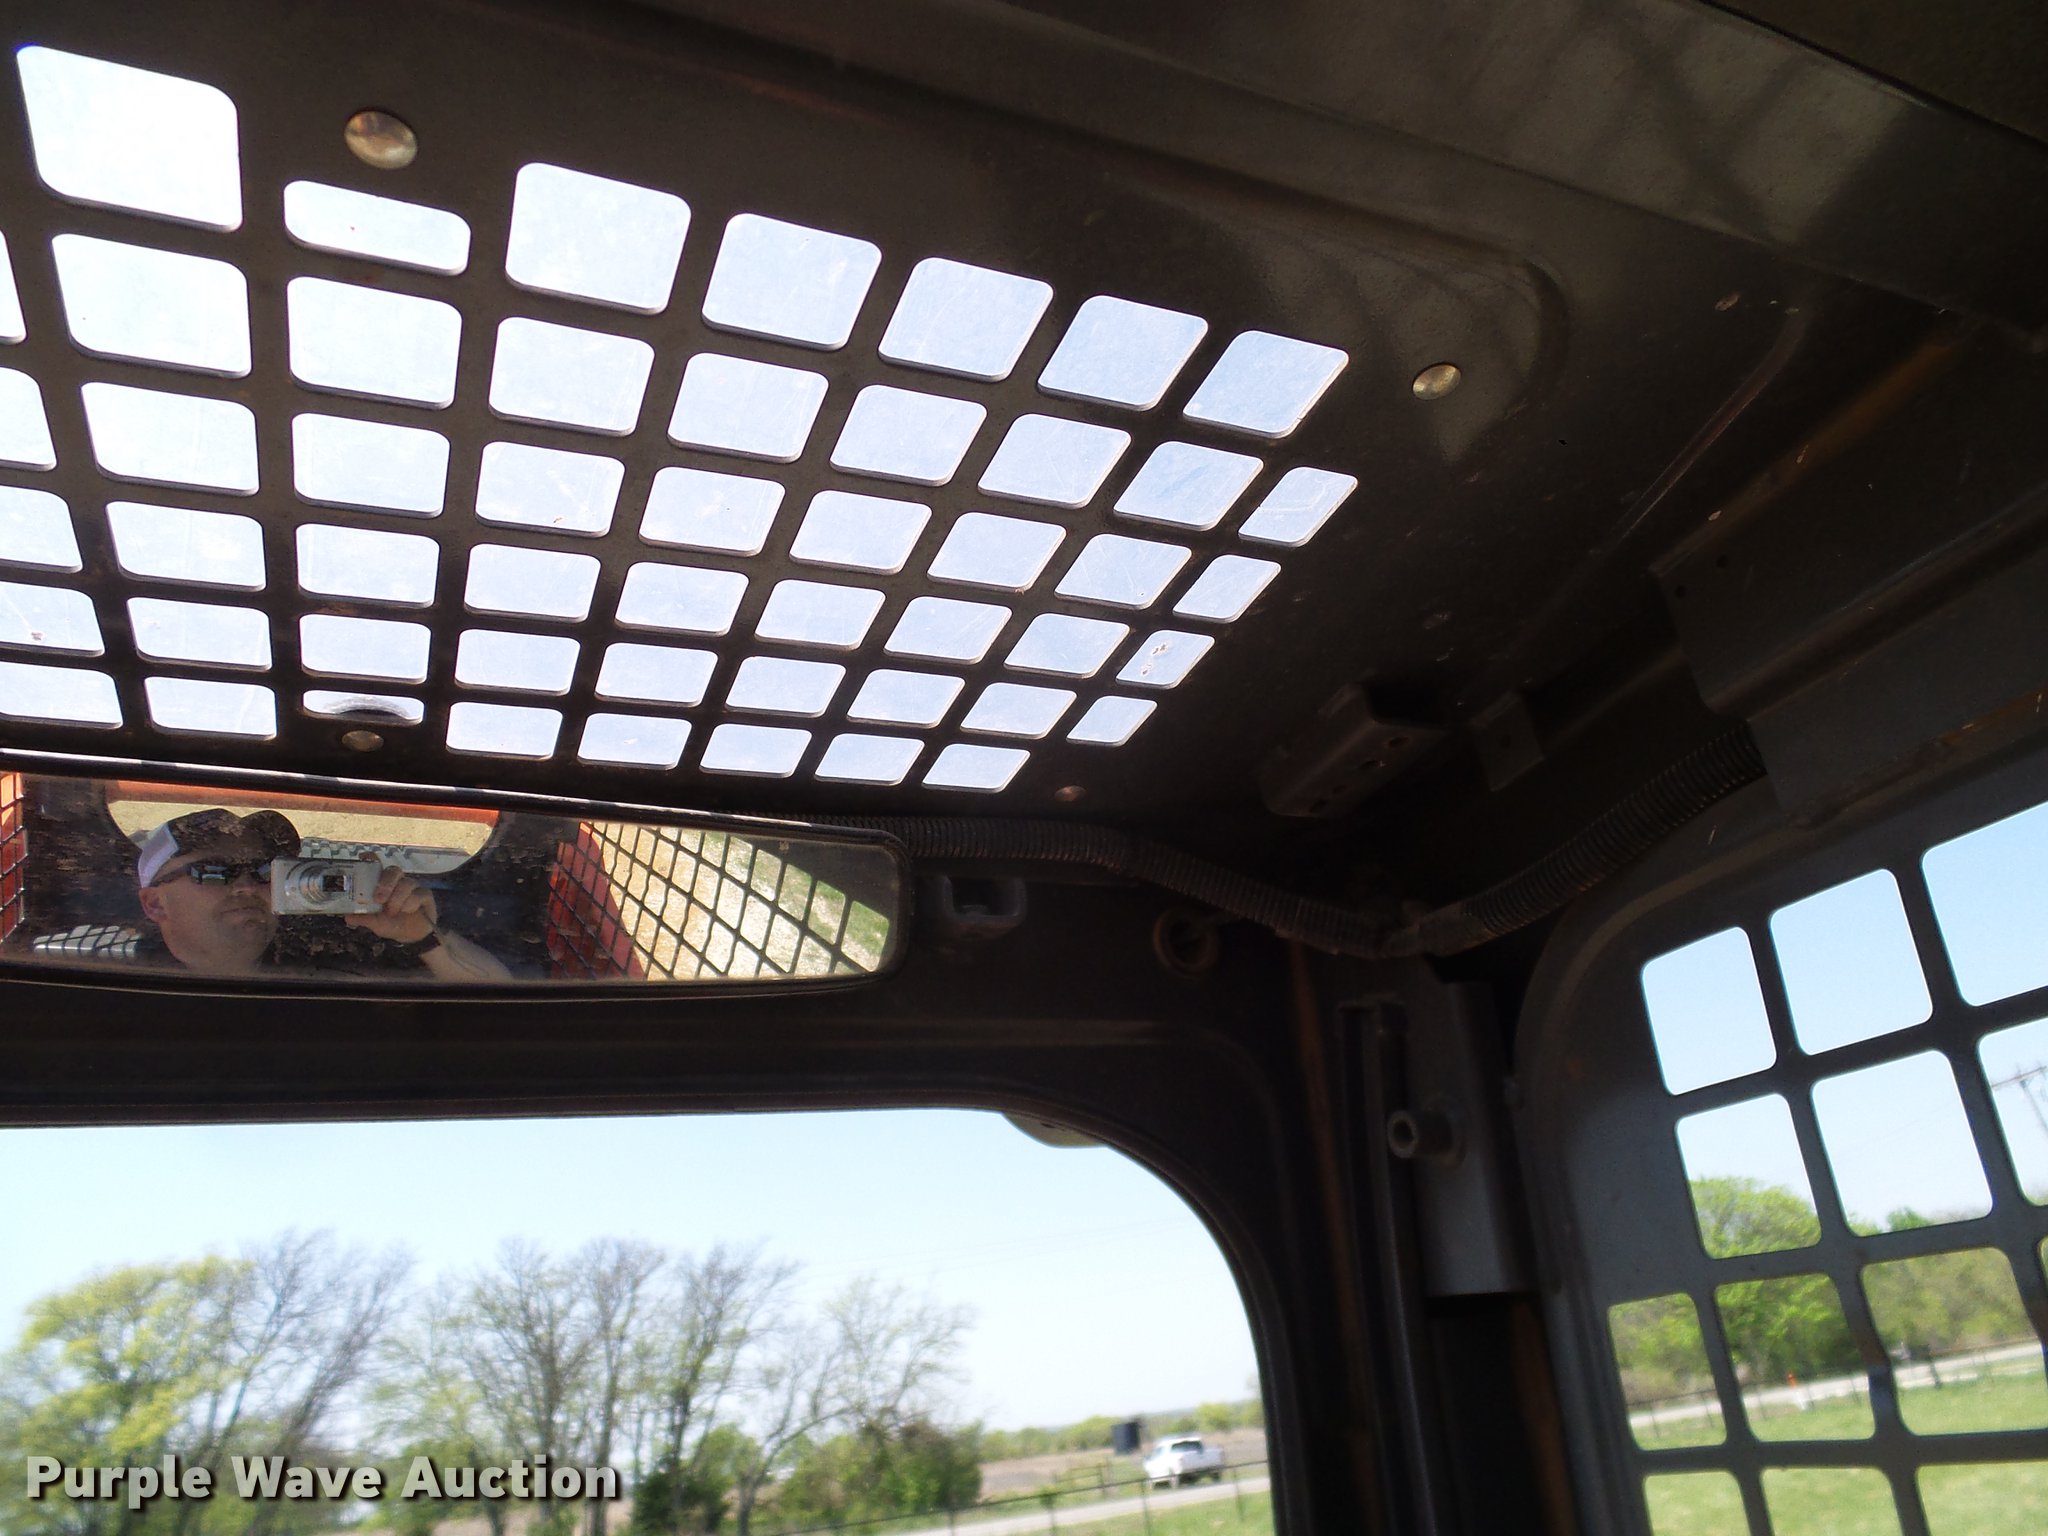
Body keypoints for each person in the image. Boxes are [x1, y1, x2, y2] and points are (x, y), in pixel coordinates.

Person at [135, 807, 511, 980]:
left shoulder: (332, 946)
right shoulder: (125, 986)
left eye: (264, 871)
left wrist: (423, 937)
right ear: (154, 903)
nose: (247, 887)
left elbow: (497, 1006)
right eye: (215, 872)